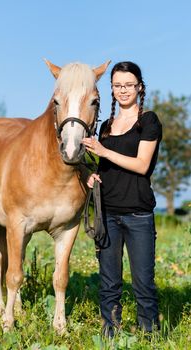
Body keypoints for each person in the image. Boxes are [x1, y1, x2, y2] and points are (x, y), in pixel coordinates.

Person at [82, 61, 162, 337]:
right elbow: (105, 166)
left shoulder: (148, 121)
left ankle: (150, 335)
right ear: (112, 89)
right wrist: (94, 176)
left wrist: (104, 152)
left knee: (143, 283)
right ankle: (110, 334)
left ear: (139, 86)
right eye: (117, 85)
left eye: (129, 85)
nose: (123, 90)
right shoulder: (106, 125)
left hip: (138, 214)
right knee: (108, 283)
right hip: (107, 215)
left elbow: (141, 165)